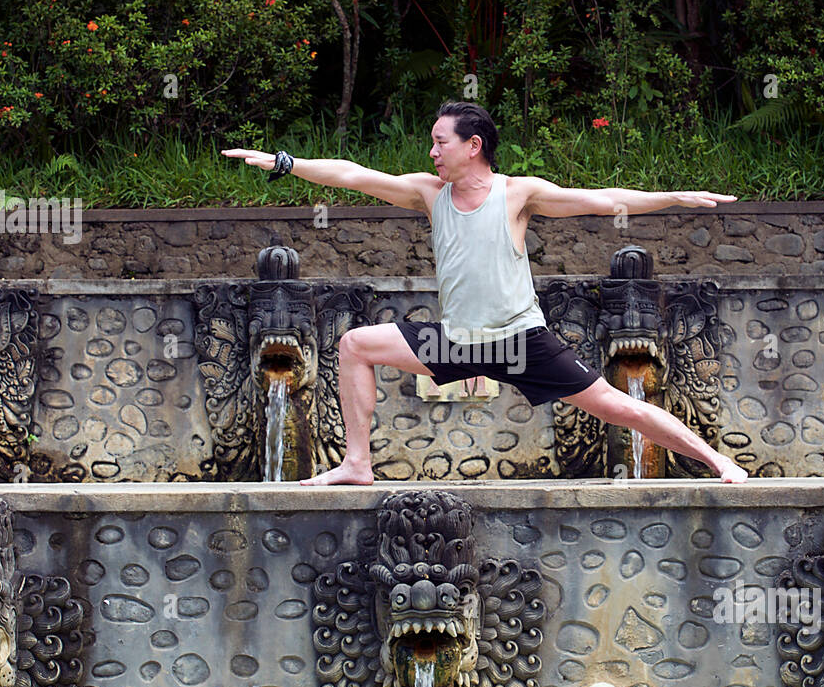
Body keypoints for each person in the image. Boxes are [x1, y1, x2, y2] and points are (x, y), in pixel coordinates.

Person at [222, 101, 749, 486]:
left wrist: (672, 197)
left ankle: (716, 460)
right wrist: (285, 163)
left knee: (617, 407)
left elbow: (600, 198)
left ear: (473, 146)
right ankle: (358, 463)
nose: (432, 152)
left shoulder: (518, 194)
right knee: (356, 345)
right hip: (456, 341)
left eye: (440, 142)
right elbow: (354, 175)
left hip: (519, 342)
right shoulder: (429, 194)